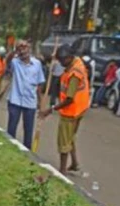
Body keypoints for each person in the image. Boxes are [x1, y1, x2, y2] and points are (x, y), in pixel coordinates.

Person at [40, 44, 90, 175]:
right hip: (81, 107)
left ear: (69, 58)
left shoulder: (74, 74)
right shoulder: (77, 62)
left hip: (72, 110)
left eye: (62, 60)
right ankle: (74, 164)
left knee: (64, 140)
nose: (61, 63)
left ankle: (62, 171)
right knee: (70, 137)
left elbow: (69, 99)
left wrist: (50, 109)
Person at [5, 40, 45, 150]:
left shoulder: (37, 64)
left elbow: (39, 83)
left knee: (28, 130)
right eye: (20, 48)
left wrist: (41, 103)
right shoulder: (14, 62)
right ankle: (9, 149)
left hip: (30, 102)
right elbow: (7, 61)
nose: (23, 50)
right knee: (11, 128)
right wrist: (14, 50)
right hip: (15, 101)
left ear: (29, 48)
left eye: (25, 47)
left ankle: (28, 153)